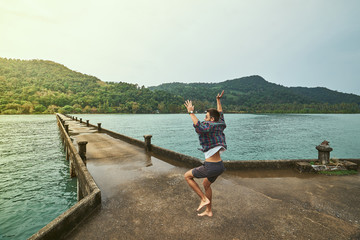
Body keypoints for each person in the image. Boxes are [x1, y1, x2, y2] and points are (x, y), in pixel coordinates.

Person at [184, 90, 227, 217]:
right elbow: (220, 113)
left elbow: (199, 126)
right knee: (206, 184)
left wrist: (191, 112)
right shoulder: (220, 123)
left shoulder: (209, 125)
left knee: (187, 176)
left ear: (211, 119)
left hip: (211, 167)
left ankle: (203, 199)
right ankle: (209, 210)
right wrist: (218, 100)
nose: (205, 119)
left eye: (206, 117)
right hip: (219, 166)